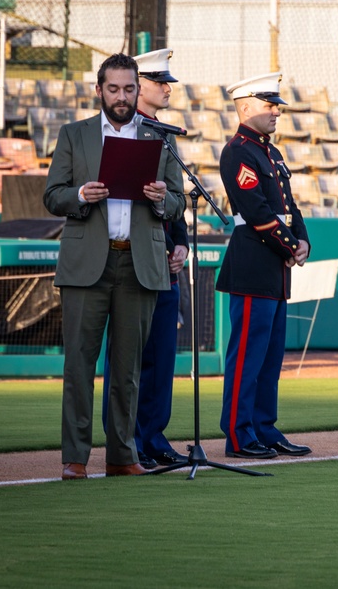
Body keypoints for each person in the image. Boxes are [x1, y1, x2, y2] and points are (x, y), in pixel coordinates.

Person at [44, 53, 185, 480]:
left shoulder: (159, 137)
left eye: (129, 88)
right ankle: (75, 458)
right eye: (114, 88)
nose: (122, 96)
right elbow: (52, 195)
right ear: (99, 90)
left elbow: (178, 203)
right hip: (88, 262)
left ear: (138, 90)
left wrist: (163, 197)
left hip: (138, 264)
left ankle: (123, 456)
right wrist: (80, 196)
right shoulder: (75, 134)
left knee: (127, 369)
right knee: (79, 366)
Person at [101, 48, 189, 469]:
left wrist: (182, 243)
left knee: (162, 354)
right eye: (158, 81)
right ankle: (128, 440)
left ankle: (154, 436)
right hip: (128, 257)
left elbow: (177, 197)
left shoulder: (163, 134)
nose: (167, 88)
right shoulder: (115, 132)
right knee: (129, 357)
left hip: (163, 257)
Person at [217, 71, 312, 459]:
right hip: (255, 261)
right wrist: (290, 245)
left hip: (275, 265)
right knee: (247, 356)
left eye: (276, 104)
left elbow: (287, 206)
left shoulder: (270, 152)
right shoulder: (239, 151)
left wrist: (302, 240)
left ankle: (264, 427)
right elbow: (257, 211)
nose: (276, 110)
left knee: (271, 356)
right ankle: (239, 434)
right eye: (268, 103)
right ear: (245, 107)